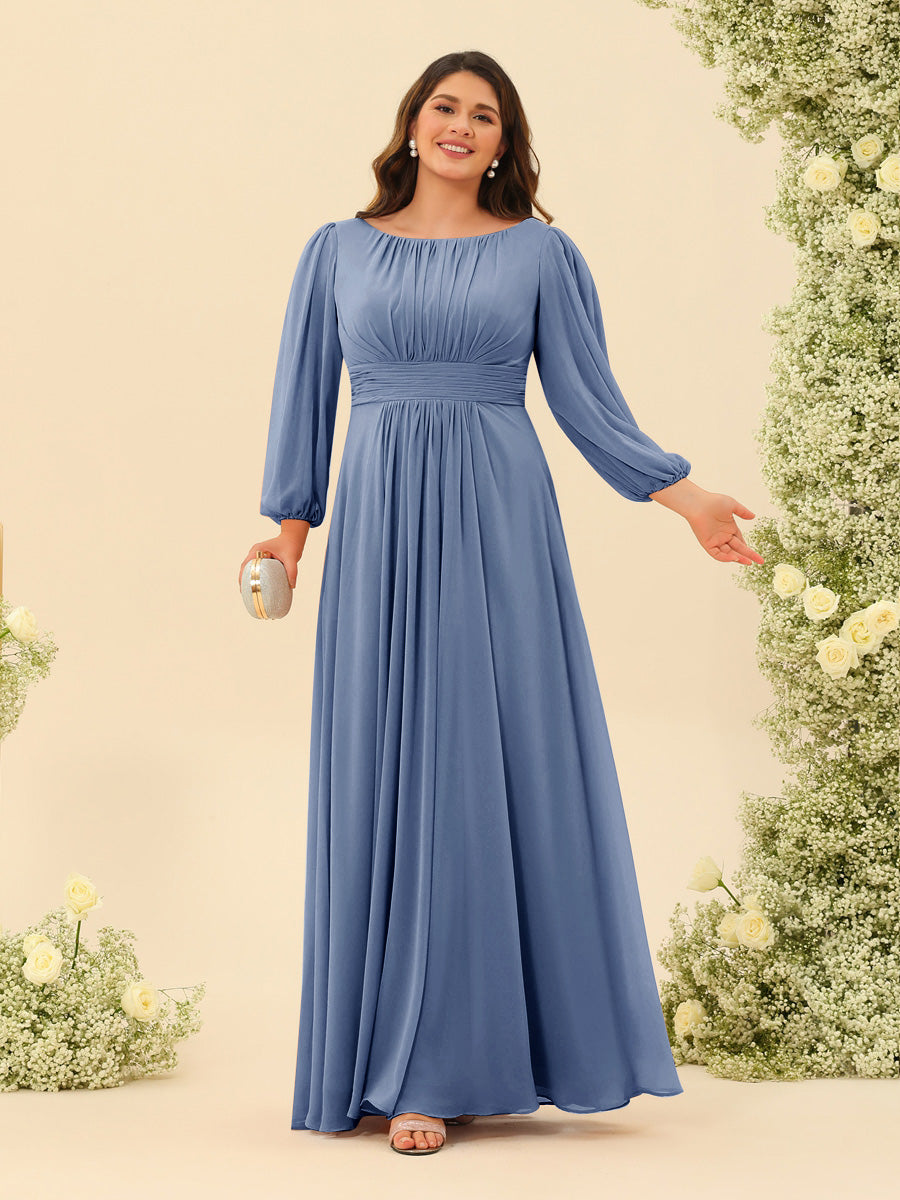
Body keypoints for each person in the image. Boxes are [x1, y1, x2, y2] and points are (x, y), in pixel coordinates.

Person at [239, 50, 764, 1157]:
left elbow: (586, 401)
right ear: (412, 122)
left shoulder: (539, 253)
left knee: (484, 772)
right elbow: (305, 398)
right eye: (446, 106)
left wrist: (686, 497)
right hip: (379, 532)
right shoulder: (336, 250)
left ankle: (444, 1068)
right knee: (392, 772)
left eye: (485, 115)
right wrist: (287, 534)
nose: (462, 126)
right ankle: (391, 1060)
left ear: (504, 143)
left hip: (498, 523)